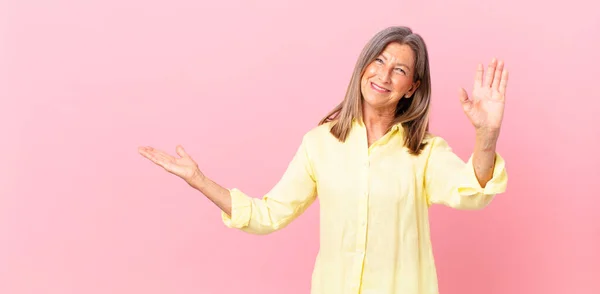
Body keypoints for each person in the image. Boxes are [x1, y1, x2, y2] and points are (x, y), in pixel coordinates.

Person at [138, 26, 508, 294]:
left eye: (399, 69)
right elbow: (268, 214)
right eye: (378, 61)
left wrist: (486, 135)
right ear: (362, 67)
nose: (384, 74)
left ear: (412, 86)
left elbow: (472, 192)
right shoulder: (320, 144)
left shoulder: (424, 151)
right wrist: (199, 180)